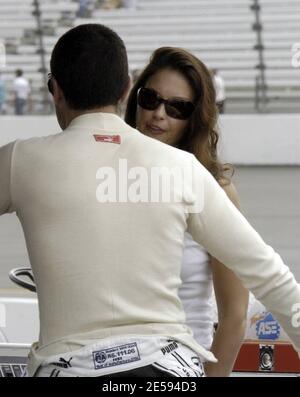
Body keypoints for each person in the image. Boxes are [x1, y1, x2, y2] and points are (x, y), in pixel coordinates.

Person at [0, 24, 300, 378]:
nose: (160, 114)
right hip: (169, 371)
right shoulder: (184, 170)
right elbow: (270, 276)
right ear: (127, 88)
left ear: (55, 90)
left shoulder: (19, 161)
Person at [125, 47, 249, 376]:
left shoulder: (214, 191)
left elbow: (235, 314)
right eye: (149, 99)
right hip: (112, 367)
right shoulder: (109, 178)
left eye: (177, 107)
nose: (158, 114)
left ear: (194, 118)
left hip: (181, 368)